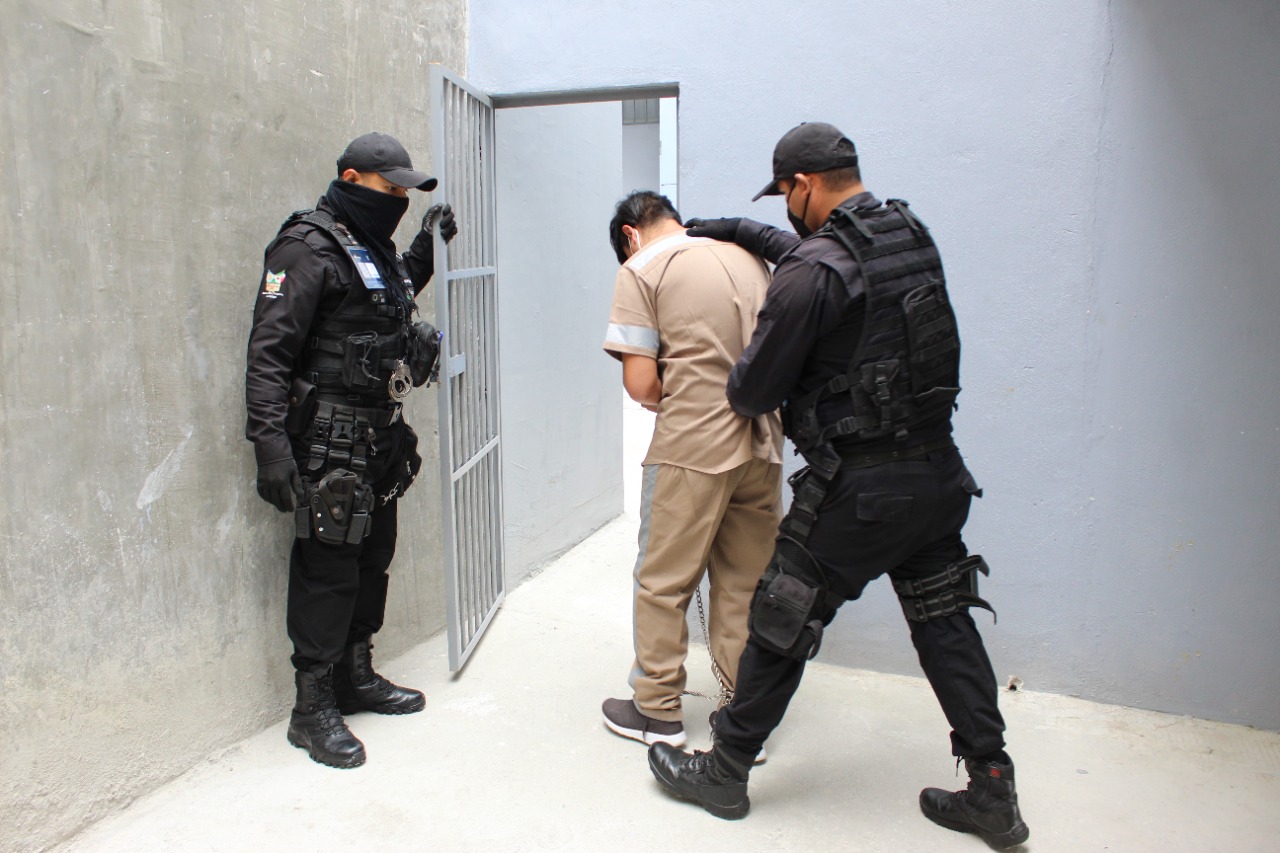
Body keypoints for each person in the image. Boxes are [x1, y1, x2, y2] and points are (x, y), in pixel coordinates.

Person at [646, 123, 1030, 849]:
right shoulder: (906, 233)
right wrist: (732, 228)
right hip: (936, 477)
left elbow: (752, 391)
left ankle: (724, 770)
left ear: (804, 186)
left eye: (784, 196)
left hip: (862, 491)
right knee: (945, 621)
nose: (786, 212)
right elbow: (822, 260)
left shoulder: (811, 271)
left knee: (782, 613)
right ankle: (992, 786)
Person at [245, 132, 457, 769]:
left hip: (379, 436)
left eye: (404, 192)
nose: (398, 200)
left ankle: (355, 676)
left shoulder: (371, 245)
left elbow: (387, 297)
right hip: (329, 440)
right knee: (328, 569)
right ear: (351, 179)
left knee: (373, 558)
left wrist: (424, 249)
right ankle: (311, 709)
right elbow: (268, 355)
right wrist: (270, 447)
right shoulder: (304, 247)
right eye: (390, 188)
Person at [600, 190, 784, 751]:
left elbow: (641, 384)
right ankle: (740, 720)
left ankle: (656, 710)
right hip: (763, 442)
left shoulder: (642, 267)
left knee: (663, 580)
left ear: (630, 234)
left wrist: (675, 394)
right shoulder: (749, 256)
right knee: (745, 583)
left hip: (691, 447)